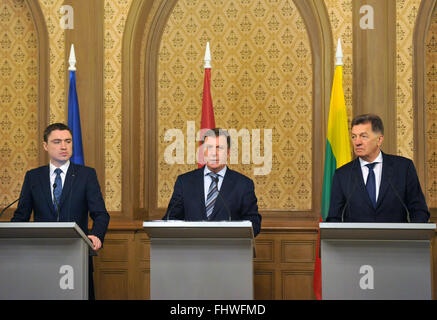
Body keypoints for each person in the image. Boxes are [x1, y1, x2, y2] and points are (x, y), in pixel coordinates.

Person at [11, 123, 110, 299]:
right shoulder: (33, 177)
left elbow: (101, 214)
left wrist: (96, 235)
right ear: (45, 146)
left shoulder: (86, 175)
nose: (64, 146)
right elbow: (21, 216)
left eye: (68, 141)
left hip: (76, 254)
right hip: (40, 256)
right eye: (57, 141)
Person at [327, 114, 429, 222]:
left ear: (379, 140)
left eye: (363, 136)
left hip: (396, 238)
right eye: (354, 136)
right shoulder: (342, 174)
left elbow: (419, 211)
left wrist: (412, 237)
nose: (357, 142)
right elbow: (334, 218)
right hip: (356, 239)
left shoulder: (403, 168)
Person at [164, 128, 262, 236]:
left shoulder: (243, 184)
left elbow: (254, 224)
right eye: (209, 147)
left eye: (219, 148)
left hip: (229, 250)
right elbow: (170, 218)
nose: (214, 153)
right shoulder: (185, 182)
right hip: (191, 249)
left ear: (228, 153)